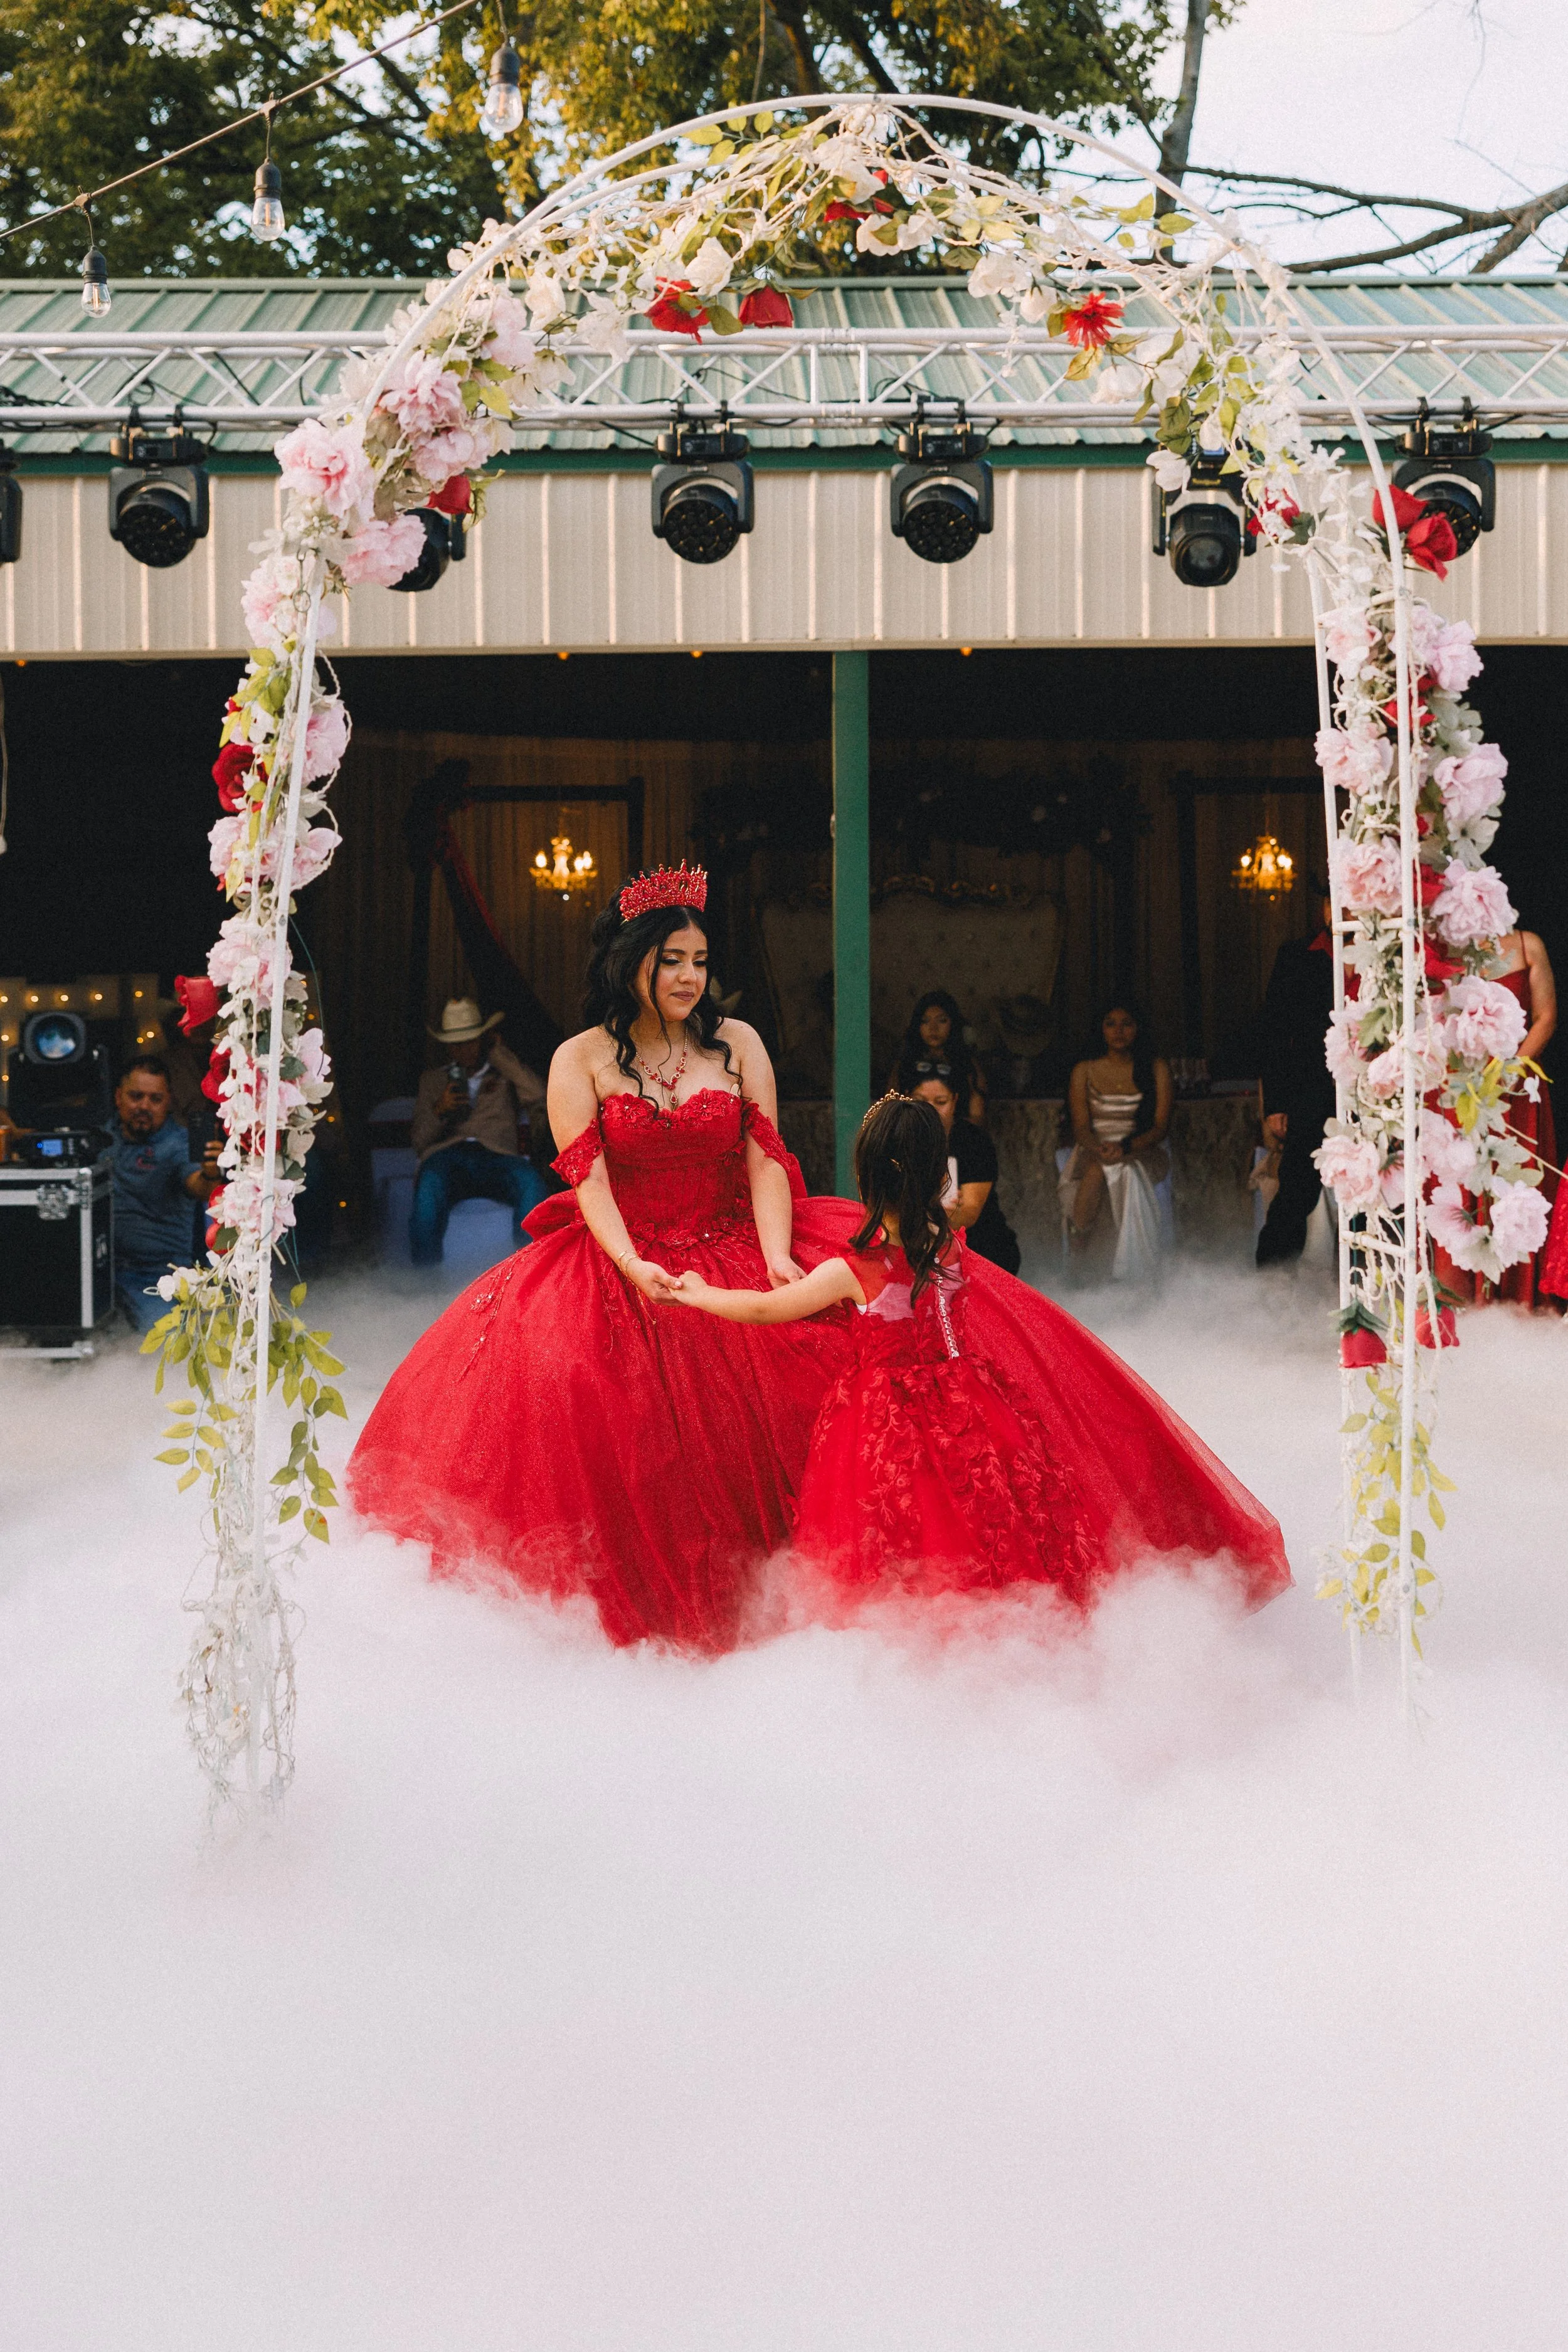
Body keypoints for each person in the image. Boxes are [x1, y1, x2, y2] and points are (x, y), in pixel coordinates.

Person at [349, 866, 859, 1652]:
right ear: (631, 964)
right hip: (621, 1247)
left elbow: (765, 1156)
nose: (692, 976)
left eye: (700, 960)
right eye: (673, 961)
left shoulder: (739, 1043)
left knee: (810, 1370)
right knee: (587, 1403)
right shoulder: (578, 1057)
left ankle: (795, 1608)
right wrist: (628, 1265)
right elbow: (585, 1178)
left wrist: (773, 1255)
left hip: (734, 1238)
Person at [669, 1096, 1290, 1611]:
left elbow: (762, 1311)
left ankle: (915, 1640)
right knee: (982, 1527)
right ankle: (994, 1632)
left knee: (898, 1538)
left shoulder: (854, 1269)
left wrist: (700, 1293)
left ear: (866, 1178)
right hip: (969, 1404)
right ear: (939, 1177)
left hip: (882, 1424)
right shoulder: (950, 1249)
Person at [410, 999, 549, 1267]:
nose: (464, 1049)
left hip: (498, 1157)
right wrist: (440, 1110)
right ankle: (424, 1281)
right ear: (447, 1046)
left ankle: (532, 1273)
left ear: (483, 1038)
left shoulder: (504, 1074)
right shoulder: (432, 1080)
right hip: (448, 1157)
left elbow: (539, 1094)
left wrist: (500, 1054)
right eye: (457, 1043)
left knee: (530, 1181)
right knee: (429, 1183)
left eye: (471, 1040)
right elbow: (418, 1142)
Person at [1473, 928, 1562, 1308]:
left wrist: (1509, 1070)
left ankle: (1522, 1299)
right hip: (1466, 1086)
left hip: (1518, 1086)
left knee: (1519, 1184)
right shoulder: (1444, 950)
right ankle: (1471, 1298)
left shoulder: (1528, 945)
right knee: (1469, 1188)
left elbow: (1547, 1017)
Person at [1059, 1002, 1173, 1281]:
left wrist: (1126, 1148)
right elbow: (1081, 1127)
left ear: (1138, 1029)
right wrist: (1101, 1148)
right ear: (1101, 1029)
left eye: (1127, 1024)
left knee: (1120, 1170)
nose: (1118, 1031)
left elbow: (1160, 1127)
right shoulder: (1084, 1070)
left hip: (1142, 1148)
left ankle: (1129, 1266)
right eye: (1111, 1023)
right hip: (1095, 1147)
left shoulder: (1155, 1067)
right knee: (1099, 1168)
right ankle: (1082, 1239)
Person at [109, 1056, 221, 1332]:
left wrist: (210, 1173)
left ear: (168, 1102)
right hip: (97, 1275)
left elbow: (198, 1186)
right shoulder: (101, 1137)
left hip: (157, 1279)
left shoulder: (179, 1143)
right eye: (136, 1096)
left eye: (155, 1099)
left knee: (162, 1351)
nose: (144, 1106)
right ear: (118, 1097)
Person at [1255, 900, 1336, 1267]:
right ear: (1323, 906)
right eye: (1334, 899)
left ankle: (1366, 1290)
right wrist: (1275, 1104)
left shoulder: (1386, 956)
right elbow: (1273, 1033)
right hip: (1310, 1092)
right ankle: (1272, 1282)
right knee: (1296, 1192)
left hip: (1372, 1093)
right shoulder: (1297, 955)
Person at [909, 1069, 1022, 1274]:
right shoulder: (901, 1139)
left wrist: (927, 1217)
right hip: (919, 1247)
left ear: (955, 1101)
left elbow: (969, 1214)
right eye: (921, 1101)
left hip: (982, 1250)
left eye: (940, 1101)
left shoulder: (973, 1141)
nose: (930, 1110)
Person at [891, 989, 986, 1124]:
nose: (933, 1029)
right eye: (925, 1021)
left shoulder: (966, 1064)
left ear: (953, 1023)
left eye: (942, 1021)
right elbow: (890, 1113)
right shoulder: (905, 1063)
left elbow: (978, 1118)